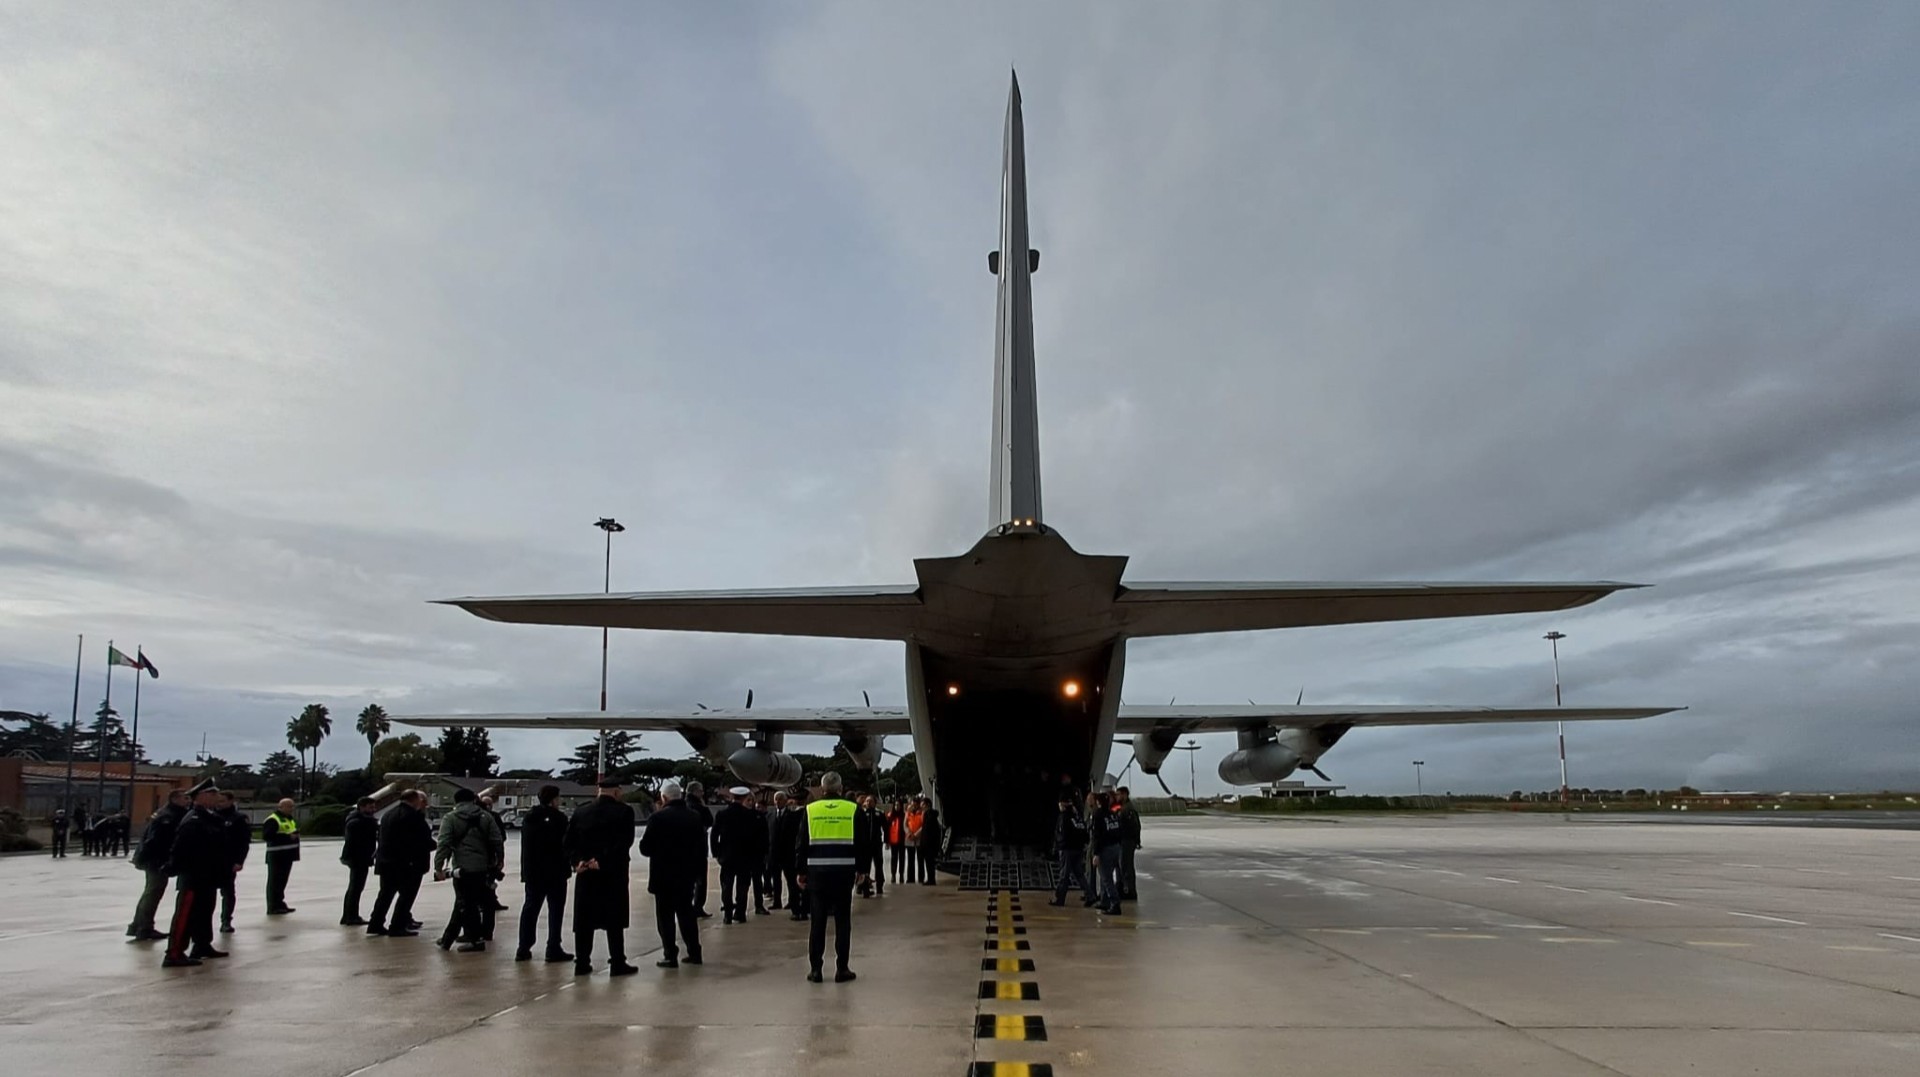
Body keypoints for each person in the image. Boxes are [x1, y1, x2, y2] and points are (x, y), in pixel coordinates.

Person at [795, 771, 877, 983]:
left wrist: (800, 871)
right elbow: (863, 844)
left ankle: (815, 970)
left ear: (822, 789)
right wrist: (863, 870)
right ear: (840, 788)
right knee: (843, 922)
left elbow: (801, 843)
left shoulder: (810, 810)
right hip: (844, 874)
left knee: (818, 923)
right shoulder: (853, 809)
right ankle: (842, 968)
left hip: (817, 874)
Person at [565, 775, 638, 976]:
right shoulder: (624, 812)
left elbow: (569, 841)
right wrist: (602, 861)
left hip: (585, 873)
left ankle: (582, 962)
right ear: (616, 791)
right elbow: (624, 842)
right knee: (614, 920)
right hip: (613, 873)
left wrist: (578, 860)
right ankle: (617, 962)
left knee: (584, 920)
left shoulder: (581, 812)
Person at [160, 781, 228, 968]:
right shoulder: (193, 819)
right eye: (213, 794)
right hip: (193, 877)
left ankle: (202, 945)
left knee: (204, 913)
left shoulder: (210, 817)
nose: (217, 797)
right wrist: (173, 867)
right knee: (185, 916)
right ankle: (174, 953)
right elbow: (180, 848)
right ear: (201, 796)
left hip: (208, 876)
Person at [639, 780, 705, 968]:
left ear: (664, 797)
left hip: (663, 877)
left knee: (665, 918)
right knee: (687, 915)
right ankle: (694, 952)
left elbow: (645, 848)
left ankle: (670, 955)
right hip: (686, 876)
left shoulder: (657, 818)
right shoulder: (694, 817)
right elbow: (700, 847)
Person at [433, 788, 505, 952]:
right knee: (479, 902)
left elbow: (443, 843)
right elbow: (497, 839)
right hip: (484, 868)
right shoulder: (486, 816)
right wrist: (499, 860)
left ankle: (474, 940)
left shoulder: (450, 818)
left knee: (465, 904)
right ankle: (449, 939)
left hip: (462, 868)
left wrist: (438, 867)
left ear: (456, 801)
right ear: (473, 800)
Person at [515, 784, 573, 963]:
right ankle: (553, 946)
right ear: (554, 799)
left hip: (533, 872)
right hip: (555, 872)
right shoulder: (560, 819)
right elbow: (566, 844)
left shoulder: (529, 818)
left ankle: (524, 946)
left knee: (530, 908)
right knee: (555, 910)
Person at [127, 789, 189, 941]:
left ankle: (138, 925)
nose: (187, 801)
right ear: (175, 799)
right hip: (156, 861)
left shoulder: (169, 813)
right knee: (153, 892)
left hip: (154, 859)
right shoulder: (168, 816)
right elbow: (155, 840)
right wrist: (148, 859)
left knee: (151, 892)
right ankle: (144, 927)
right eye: (184, 798)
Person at [368, 790, 432, 937]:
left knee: (385, 895)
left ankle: (375, 923)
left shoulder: (388, 814)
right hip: (406, 864)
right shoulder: (413, 817)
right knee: (406, 896)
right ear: (415, 800)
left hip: (386, 861)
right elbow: (420, 840)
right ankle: (397, 925)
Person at [711, 786, 766, 924]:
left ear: (732, 797)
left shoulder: (722, 814)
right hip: (746, 857)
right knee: (743, 886)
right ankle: (740, 913)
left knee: (726, 885)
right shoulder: (751, 815)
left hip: (727, 857)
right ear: (743, 798)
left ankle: (727, 914)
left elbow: (714, 835)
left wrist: (716, 853)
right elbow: (757, 838)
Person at [340, 797, 379, 925]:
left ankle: (349, 915)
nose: (373, 810)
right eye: (370, 807)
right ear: (362, 807)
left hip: (359, 858)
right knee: (355, 888)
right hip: (358, 858)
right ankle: (351, 916)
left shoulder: (359, 820)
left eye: (374, 807)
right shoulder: (358, 823)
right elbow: (356, 842)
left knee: (355, 888)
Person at [1047, 791, 1089, 907]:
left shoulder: (1064, 817)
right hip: (1078, 849)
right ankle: (1090, 895)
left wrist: (1058, 847)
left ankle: (1060, 899)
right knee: (1079, 873)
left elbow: (1061, 834)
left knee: (1064, 875)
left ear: (1063, 804)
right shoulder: (1077, 817)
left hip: (1067, 850)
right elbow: (1084, 832)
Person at [216, 791, 250, 933]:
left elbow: (244, 842)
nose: (219, 804)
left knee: (228, 893)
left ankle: (226, 920)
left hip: (228, 861)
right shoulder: (212, 816)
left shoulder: (239, 818)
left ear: (231, 801)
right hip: (212, 861)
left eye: (222, 801)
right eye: (218, 801)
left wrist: (239, 861)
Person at [261, 798, 301, 914]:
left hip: (287, 855)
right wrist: (288, 837)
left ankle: (280, 903)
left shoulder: (288, 819)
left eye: (292, 807)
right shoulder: (273, 820)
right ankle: (273, 906)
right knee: (275, 882)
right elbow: (267, 836)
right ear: (280, 807)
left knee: (282, 881)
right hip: (277, 855)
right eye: (288, 807)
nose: (291, 809)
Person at [774, 789, 809, 921]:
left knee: (794, 884)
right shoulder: (806, 814)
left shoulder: (792, 815)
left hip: (791, 855)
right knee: (801, 884)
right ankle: (802, 909)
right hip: (797, 855)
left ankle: (797, 909)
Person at [1090, 791, 1124, 914]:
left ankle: (1115, 903)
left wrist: (1096, 853)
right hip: (1116, 848)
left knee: (1106, 878)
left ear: (1098, 802)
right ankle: (1105, 901)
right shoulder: (1112, 814)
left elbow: (1097, 836)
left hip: (1105, 849)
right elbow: (1120, 831)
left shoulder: (1098, 815)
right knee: (1108, 876)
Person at [684, 780, 714, 919]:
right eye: (701, 791)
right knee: (701, 881)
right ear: (696, 792)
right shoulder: (699, 807)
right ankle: (698, 907)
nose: (702, 793)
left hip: (685, 850)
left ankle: (687, 907)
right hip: (699, 849)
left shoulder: (683, 806)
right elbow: (709, 821)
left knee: (687, 880)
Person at [764, 791, 792, 914]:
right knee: (776, 879)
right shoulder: (770, 816)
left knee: (790, 879)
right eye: (776, 799)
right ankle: (777, 901)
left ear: (786, 800)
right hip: (773, 853)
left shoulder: (791, 816)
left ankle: (792, 900)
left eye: (780, 799)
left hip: (787, 853)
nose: (778, 801)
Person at [1116, 786, 1142, 901]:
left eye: (1119, 794)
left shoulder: (1128, 809)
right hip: (1124, 840)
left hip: (1127, 841)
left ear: (1125, 795)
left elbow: (1135, 825)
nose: (1117, 797)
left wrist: (1136, 840)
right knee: (1123, 866)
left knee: (1126, 866)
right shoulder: (1123, 808)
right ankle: (1124, 889)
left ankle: (1130, 891)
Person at [917, 799, 943, 885]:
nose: (922, 806)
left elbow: (930, 831)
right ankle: (930, 878)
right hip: (927, 843)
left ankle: (931, 879)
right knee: (929, 862)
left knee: (930, 863)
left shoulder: (930, 816)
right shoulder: (927, 815)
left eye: (923, 805)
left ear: (927, 805)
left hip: (929, 844)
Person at [884, 800, 906, 886]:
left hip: (902, 841)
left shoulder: (904, 816)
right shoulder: (890, 816)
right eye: (895, 805)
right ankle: (893, 875)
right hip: (893, 841)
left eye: (898, 805)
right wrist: (887, 842)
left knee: (902, 858)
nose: (897, 806)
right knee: (894, 858)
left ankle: (901, 875)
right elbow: (886, 830)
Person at [902, 799, 924, 883]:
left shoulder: (922, 813)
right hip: (909, 839)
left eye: (915, 804)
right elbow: (905, 825)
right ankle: (910, 878)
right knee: (910, 860)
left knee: (920, 859)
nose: (914, 806)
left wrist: (916, 834)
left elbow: (923, 825)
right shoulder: (907, 814)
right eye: (912, 804)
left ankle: (921, 878)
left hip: (919, 839)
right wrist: (909, 833)